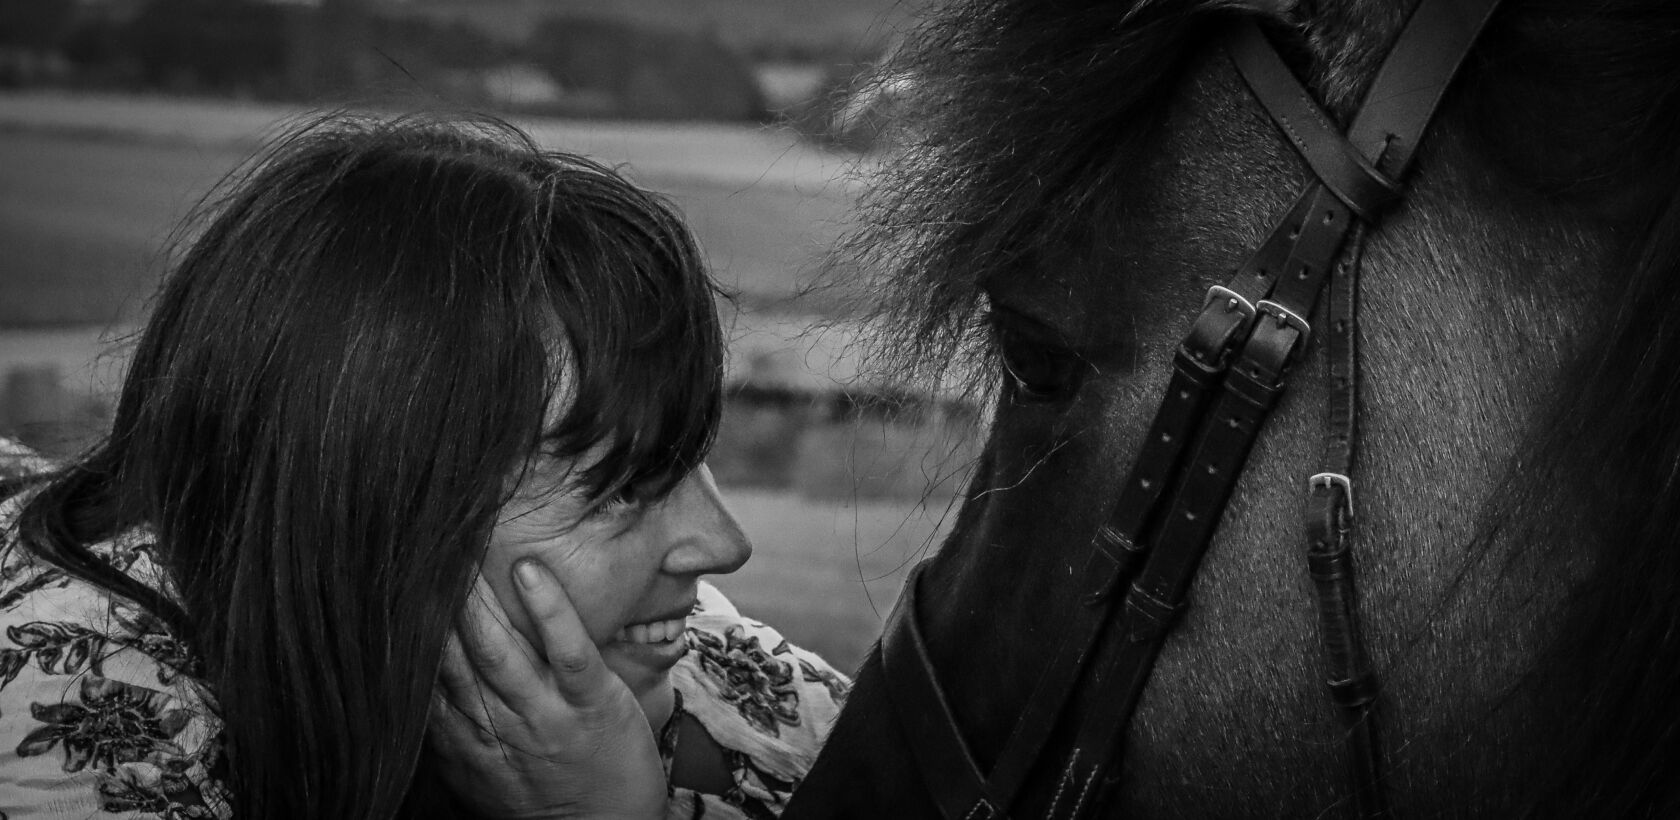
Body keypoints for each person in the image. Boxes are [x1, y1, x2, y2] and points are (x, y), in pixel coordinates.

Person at [0, 114, 848, 819]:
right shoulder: (79, 711)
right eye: (623, 489)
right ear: (367, 504)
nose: (723, 544)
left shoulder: (711, 675)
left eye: (695, 458)